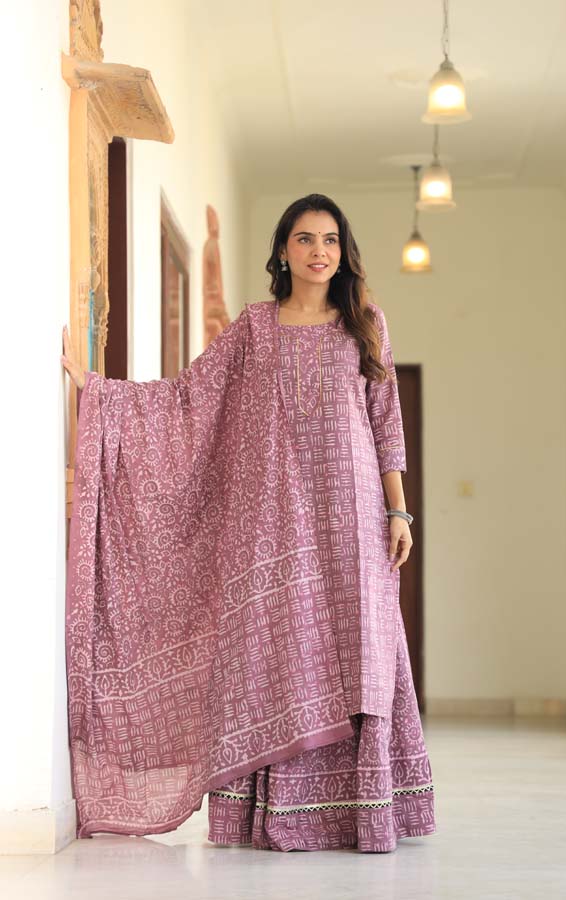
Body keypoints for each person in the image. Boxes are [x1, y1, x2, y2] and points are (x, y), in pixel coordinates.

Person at [61, 193, 435, 852]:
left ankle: (359, 812)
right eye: (305, 239)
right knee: (275, 647)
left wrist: (398, 509)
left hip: (351, 520)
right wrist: (100, 390)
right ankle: (273, 814)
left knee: (360, 650)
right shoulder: (254, 327)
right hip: (268, 521)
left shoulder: (365, 323)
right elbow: (189, 394)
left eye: (330, 240)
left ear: (342, 252)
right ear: (283, 250)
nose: (319, 252)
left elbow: (386, 424)